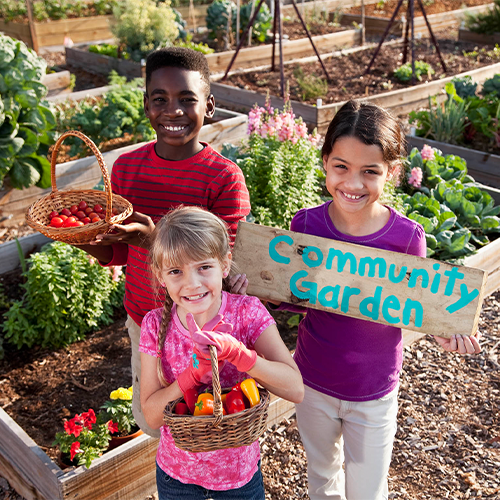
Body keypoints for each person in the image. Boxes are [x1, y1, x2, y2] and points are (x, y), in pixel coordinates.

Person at [268, 100, 482, 500]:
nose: (353, 183)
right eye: (341, 167)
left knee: (368, 491)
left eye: (370, 171)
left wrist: (439, 331)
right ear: (325, 163)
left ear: (392, 173)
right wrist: (264, 290)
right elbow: (298, 296)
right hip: (313, 380)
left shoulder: (406, 238)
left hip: (374, 390)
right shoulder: (306, 224)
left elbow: (409, 304)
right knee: (322, 477)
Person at [76, 47, 251, 438]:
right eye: (160, 99)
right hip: (145, 321)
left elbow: (220, 261)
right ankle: (172, 474)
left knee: (207, 417)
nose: (173, 111)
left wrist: (151, 238)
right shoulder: (126, 170)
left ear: (209, 106)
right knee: (155, 419)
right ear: (146, 106)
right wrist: (84, 239)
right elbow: (117, 253)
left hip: (205, 326)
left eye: (187, 100)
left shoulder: (222, 177)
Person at [139, 206, 304, 499]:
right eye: (176, 271)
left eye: (204, 267)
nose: (192, 283)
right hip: (177, 476)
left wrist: (242, 355)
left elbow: (295, 389)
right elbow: (152, 417)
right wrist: (191, 377)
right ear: (160, 276)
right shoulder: (154, 325)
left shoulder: (246, 313)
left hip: (239, 476)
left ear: (225, 264)